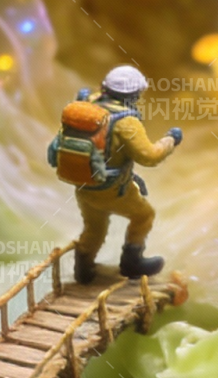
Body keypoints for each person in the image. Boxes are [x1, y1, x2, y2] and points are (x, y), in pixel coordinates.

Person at [51, 65, 182, 286]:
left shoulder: (88, 105)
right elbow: (149, 156)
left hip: (84, 184)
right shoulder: (126, 122)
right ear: (133, 95)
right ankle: (132, 262)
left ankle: (83, 267)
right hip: (111, 189)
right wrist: (170, 140)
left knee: (94, 228)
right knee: (144, 216)